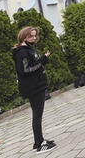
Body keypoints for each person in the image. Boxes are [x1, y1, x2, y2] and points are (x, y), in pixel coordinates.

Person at [11, 26, 57, 154]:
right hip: (33, 87)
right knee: (37, 115)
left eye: (35, 35)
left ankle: (39, 141)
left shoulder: (28, 49)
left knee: (38, 114)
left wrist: (43, 59)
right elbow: (25, 69)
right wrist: (43, 60)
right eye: (31, 36)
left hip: (37, 85)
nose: (34, 38)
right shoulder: (21, 52)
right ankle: (39, 144)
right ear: (23, 36)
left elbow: (33, 64)